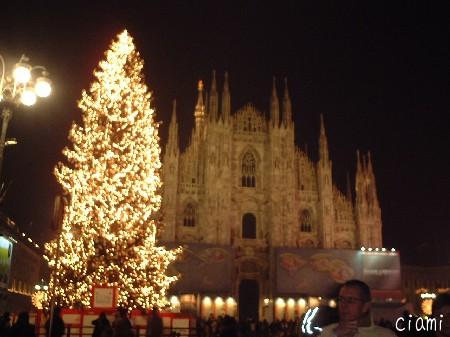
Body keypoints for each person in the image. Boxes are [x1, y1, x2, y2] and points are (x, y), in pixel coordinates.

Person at [319, 279, 397, 337]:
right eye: (341, 299)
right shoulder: (328, 332)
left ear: (365, 306)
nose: (343, 305)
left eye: (350, 301)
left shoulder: (385, 335)